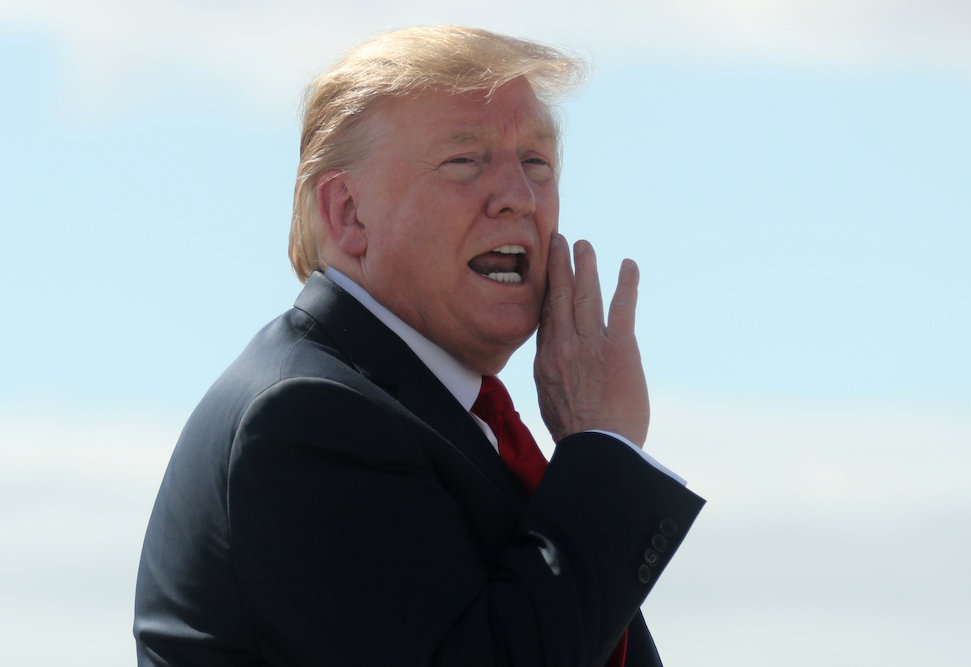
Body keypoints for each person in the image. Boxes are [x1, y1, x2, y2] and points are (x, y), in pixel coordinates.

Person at [134, 26, 705, 666]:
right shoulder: (307, 418)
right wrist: (604, 452)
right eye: (465, 160)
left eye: (537, 163)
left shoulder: (422, 414)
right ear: (349, 214)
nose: (518, 196)